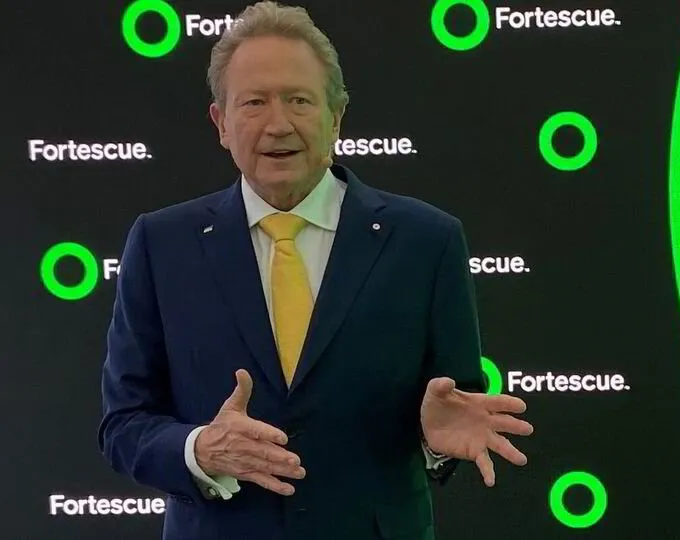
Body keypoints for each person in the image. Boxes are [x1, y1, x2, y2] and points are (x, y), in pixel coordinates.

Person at [97, 2, 534, 539]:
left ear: (337, 117)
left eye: (299, 100)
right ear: (221, 123)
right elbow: (124, 424)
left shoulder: (427, 241)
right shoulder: (161, 244)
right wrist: (200, 449)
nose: (278, 123)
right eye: (254, 102)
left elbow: (453, 406)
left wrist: (430, 442)